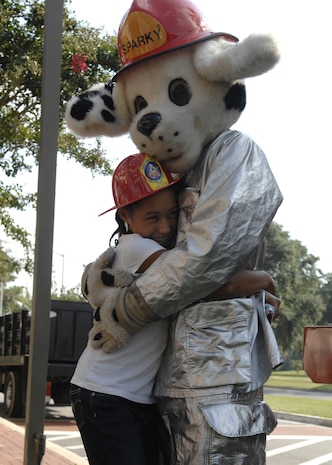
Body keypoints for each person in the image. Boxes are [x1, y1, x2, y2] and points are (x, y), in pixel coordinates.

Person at [72, 153, 281, 465]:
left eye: (171, 215)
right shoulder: (137, 249)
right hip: (106, 395)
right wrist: (264, 280)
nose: (165, 227)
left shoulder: (150, 250)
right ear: (125, 215)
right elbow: (203, 283)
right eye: (153, 218)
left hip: (132, 398)